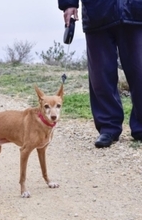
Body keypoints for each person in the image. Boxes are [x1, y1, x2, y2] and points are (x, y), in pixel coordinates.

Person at [58, 0, 142, 148]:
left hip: (136, 10)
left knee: (140, 71)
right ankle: (108, 127)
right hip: (97, 11)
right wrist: (68, 3)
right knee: (100, 76)